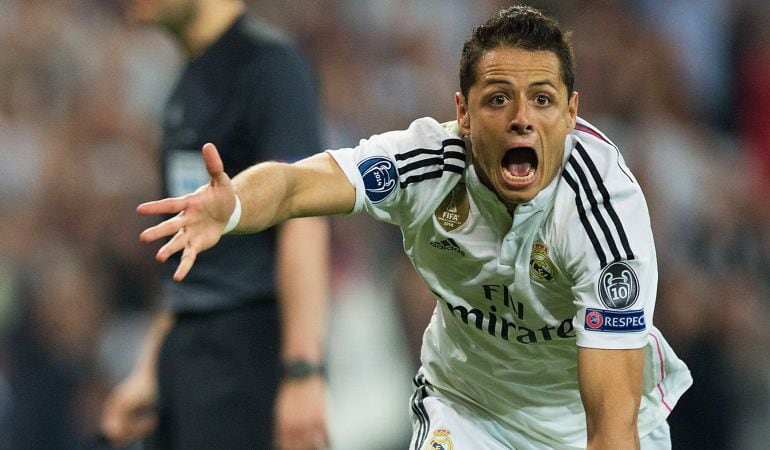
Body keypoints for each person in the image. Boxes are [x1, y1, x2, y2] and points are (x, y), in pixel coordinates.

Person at [136, 5, 693, 449]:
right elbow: (294, 185)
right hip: (471, 410)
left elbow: (611, 435)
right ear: (464, 113)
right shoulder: (424, 164)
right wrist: (234, 207)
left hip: (586, 424)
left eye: (542, 100)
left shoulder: (603, 218)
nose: (522, 117)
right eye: (498, 98)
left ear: (571, 114)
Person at [100, 1, 330, 449]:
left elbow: (305, 217)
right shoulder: (187, 82)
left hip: (249, 355)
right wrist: (150, 370)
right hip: (191, 358)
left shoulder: (270, 68)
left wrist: (304, 372)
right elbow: (188, 257)